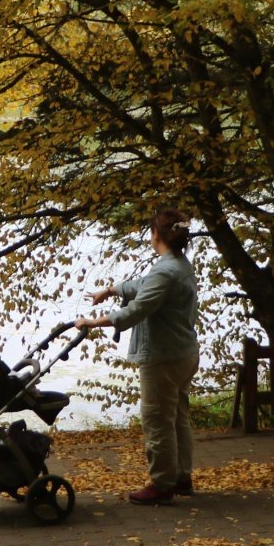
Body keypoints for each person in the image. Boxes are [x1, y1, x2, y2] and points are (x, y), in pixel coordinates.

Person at [75, 210, 200, 505]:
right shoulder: (178, 265)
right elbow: (144, 285)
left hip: (163, 359)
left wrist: (92, 323)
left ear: (156, 235)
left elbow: (135, 310)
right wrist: (110, 290)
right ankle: (182, 476)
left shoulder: (166, 271)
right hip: (184, 353)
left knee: (157, 420)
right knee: (178, 418)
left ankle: (162, 484)